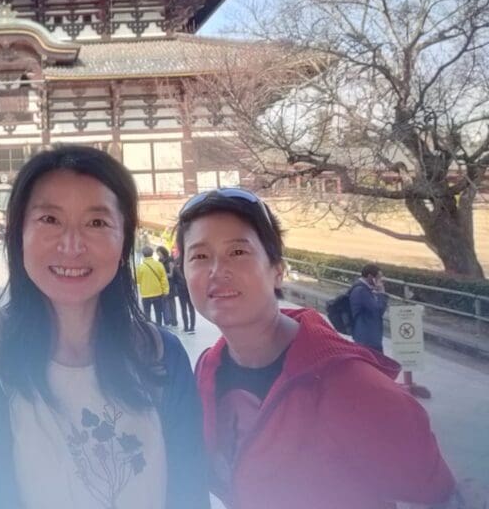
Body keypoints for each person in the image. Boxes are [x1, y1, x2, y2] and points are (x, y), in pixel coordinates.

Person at [0, 145, 208, 509]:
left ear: (124, 239)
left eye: (97, 222)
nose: (72, 245)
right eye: (50, 220)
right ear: (18, 234)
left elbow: (189, 495)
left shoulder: (161, 355)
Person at [176, 187, 456, 509]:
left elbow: (442, 497)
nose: (217, 270)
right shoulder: (206, 371)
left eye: (238, 252)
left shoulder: (353, 385)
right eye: (199, 256)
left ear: (277, 271)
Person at [350, 263, 389, 354]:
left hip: (365, 334)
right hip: (368, 337)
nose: (381, 281)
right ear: (370, 276)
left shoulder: (362, 289)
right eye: (378, 278)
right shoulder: (361, 291)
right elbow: (378, 310)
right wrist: (381, 293)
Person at [136, 246, 169, 326]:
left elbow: (137, 280)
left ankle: (150, 330)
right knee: (158, 312)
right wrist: (165, 291)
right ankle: (159, 327)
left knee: (147, 313)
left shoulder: (140, 267)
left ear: (143, 255)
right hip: (157, 293)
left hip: (145, 294)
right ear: (152, 254)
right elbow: (164, 279)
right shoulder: (159, 265)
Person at [169, 249, 195, 334]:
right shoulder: (191, 260)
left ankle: (186, 327)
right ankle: (192, 327)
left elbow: (172, 277)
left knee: (184, 308)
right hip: (190, 287)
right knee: (191, 308)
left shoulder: (175, 263)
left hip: (181, 289)